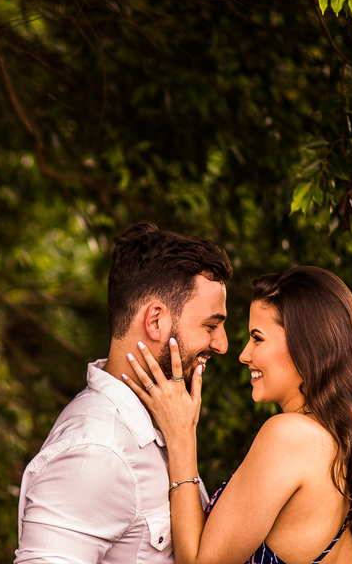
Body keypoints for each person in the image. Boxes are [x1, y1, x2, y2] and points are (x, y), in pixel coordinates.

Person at [122, 266, 352, 564]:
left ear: (306, 346)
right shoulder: (343, 449)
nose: (244, 354)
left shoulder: (290, 436)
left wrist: (181, 435)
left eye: (257, 338)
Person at [15, 223, 233, 564]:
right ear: (156, 321)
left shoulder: (162, 422)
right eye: (211, 325)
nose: (222, 344)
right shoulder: (96, 449)